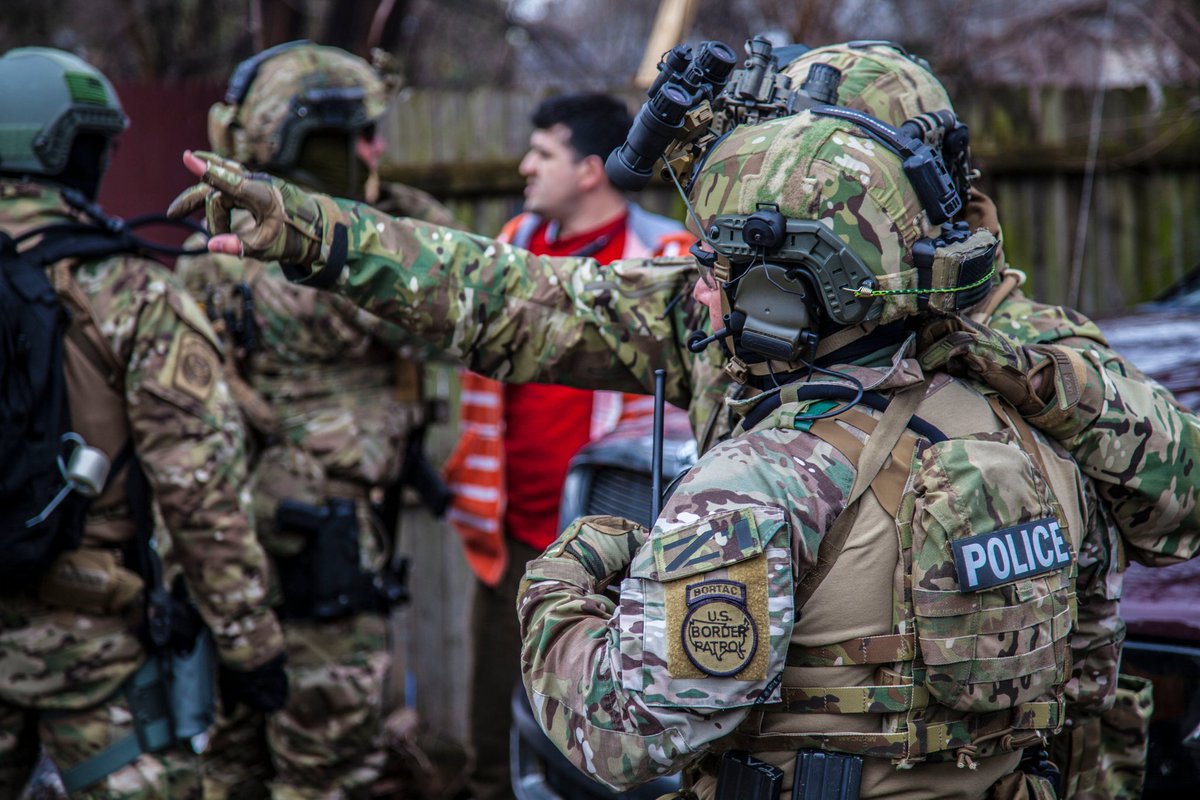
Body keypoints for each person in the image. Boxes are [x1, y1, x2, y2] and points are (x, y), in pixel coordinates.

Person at [168, 34, 1200, 796]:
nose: (701, 283)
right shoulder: (741, 307)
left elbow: (1178, 496)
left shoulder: (1033, 361)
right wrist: (312, 230)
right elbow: (507, 297)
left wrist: (572, 573)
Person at [173, 42, 458, 800]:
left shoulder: (215, 239)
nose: (379, 148)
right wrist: (377, 207)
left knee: (233, 756)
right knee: (328, 762)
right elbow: (444, 308)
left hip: (233, 540)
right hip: (320, 540)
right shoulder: (348, 247)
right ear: (312, 137)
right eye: (360, 134)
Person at [0, 47, 285, 799]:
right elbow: (200, 491)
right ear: (68, 151)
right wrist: (250, 646)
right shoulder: (130, 290)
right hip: (96, 648)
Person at [440, 92, 692, 800]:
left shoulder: (666, 256)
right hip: (513, 540)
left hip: (621, 554)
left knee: (611, 748)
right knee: (496, 739)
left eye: (542, 153)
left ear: (588, 169)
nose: (525, 166)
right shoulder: (514, 243)